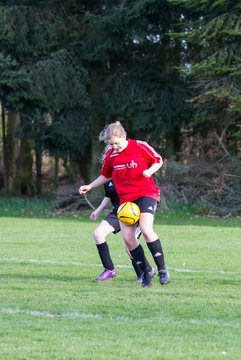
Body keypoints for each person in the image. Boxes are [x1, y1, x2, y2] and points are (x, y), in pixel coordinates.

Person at [79, 121, 170, 288]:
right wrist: (90, 186)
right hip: (126, 200)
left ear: (124, 137)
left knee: (146, 230)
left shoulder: (140, 146)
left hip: (146, 193)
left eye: (117, 143)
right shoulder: (111, 156)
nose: (115, 147)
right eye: (111, 144)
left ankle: (162, 269)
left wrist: (149, 171)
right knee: (128, 239)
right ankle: (147, 271)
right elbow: (106, 175)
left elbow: (158, 160)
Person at [90, 179, 155, 282]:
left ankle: (144, 273)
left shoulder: (126, 171)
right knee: (98, 234)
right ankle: (109, 270)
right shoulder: (106, 178)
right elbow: (108, 196)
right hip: (118, 212)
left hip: (133, 212)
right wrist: (97, 211)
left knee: (129, 247)